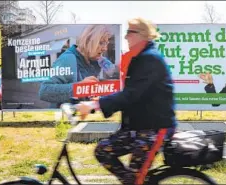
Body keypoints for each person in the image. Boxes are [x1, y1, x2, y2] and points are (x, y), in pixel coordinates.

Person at [75, 18, 177, 185]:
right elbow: (130, 94)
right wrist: (99, 101)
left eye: (130, 32)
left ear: (142, 35)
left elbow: (131, 94)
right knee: (103, 151)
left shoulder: (150, 59)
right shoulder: (138, 57)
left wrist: (96, 104)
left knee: (135, 179)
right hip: (138, 128)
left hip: (155, 129)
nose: (126, 37)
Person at [38, 25, 118, 108]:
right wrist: (79, 87)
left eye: (106, 43)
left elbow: (113, 72)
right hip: (62, 118)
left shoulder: (95, 60)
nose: (105, 48)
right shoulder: (68, 59)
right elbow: (44, 92)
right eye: (101, 43)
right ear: (88, 41)